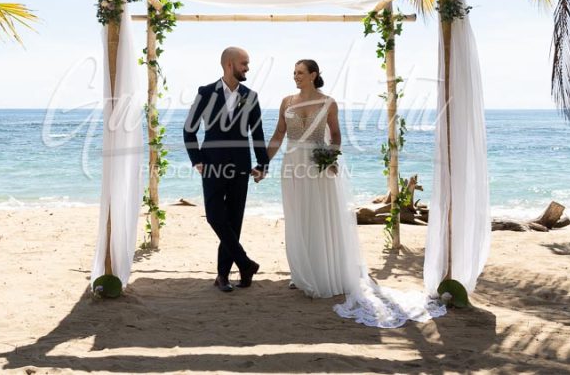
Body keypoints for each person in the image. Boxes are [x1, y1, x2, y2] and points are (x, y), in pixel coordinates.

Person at [266, 59, 445, 327]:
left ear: (314, 74)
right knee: (297, 217)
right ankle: (302, 274)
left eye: (300, 73)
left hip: (318, 164)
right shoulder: (286, 101)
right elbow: (279, 134)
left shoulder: (329, 103)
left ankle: (325, 274)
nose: (295, 77)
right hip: (292, 163)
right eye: (294, 73)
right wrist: (263, 162)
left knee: (320, 217)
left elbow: (336, 135)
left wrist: (330, 157)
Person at [183, 47, 269, 293]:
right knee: (214, 216)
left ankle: (223, 275)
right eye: (244, 63)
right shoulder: (206, 92)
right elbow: (189, 130)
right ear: (229, 64)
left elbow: (258, 133)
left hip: (241, 166)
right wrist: (196, 159)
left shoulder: (250, 96)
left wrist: (262, 164)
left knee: (234, 220)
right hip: (211, 165)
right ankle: (245, 263)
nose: (247, 68)